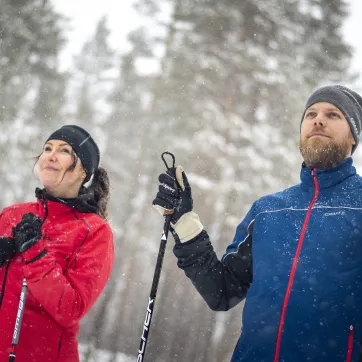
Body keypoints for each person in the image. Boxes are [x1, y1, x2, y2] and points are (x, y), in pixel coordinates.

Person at [152, 85, 362, 362]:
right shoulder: (268, 211)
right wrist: (184, 222)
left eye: (333, 114)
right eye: (310, 113)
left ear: (354, 137)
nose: (318, 119)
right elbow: (222, 291)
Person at [0, 125, 114, 362]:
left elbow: (70, 308)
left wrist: (34, 255)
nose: (50, 155)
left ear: (84, 171)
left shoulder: (94, 231)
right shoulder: (11, 214)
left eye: (64, 150)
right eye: (47, 148)